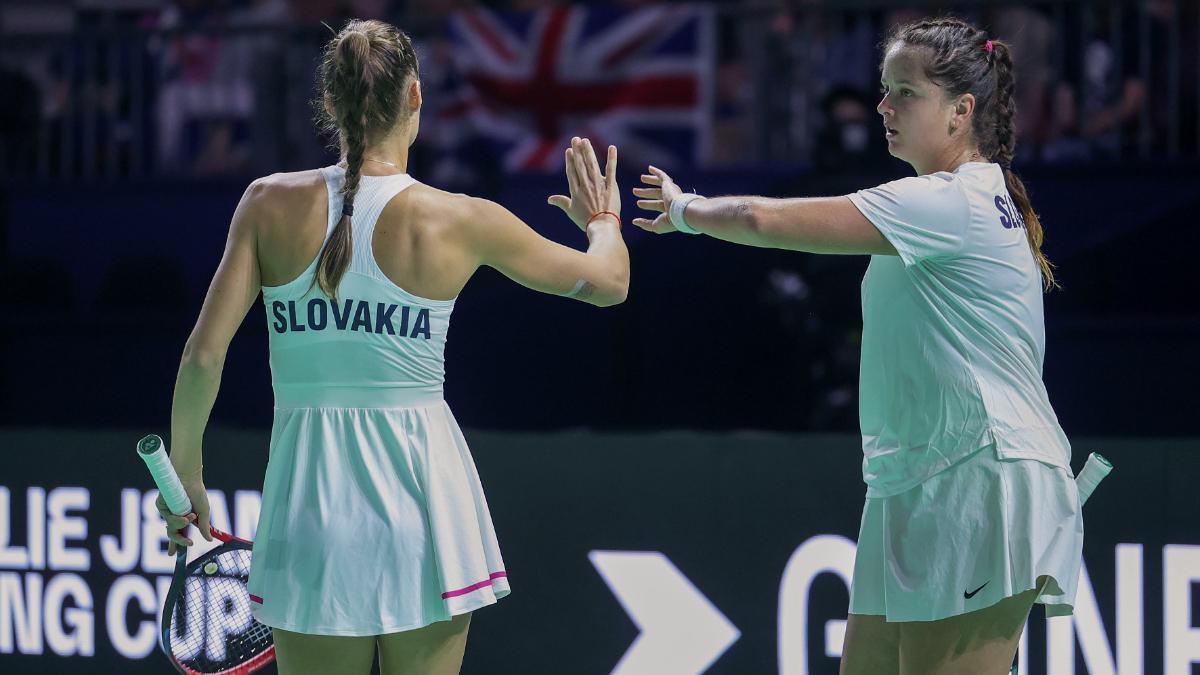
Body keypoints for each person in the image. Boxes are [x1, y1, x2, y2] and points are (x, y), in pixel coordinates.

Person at [156, 19, 628, 675]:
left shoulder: (265, 204)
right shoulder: (460, 219)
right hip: (426, 510)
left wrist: (188, 473)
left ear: (329, 102)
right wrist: (603, 222)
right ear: (414, 96)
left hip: (310, 510)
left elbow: (201, 356)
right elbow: (609, 284)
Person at [633, 16, 1080, 674]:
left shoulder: (951, 202)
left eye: (904, 91)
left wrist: (682, 210)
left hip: (978, 475)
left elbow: (764, 218)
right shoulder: (959, 201)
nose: (883, 106)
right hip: (913, 479)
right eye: (884, 88)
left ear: (961, 111)